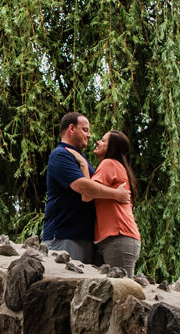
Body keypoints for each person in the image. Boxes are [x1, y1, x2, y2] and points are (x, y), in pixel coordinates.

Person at [41, 110, 131, 261]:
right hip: (65, 236)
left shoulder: (81, 158)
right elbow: (84, 187)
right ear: (71, 129)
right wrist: (116, 194)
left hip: (84, 238)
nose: (89, 135)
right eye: (85, 130)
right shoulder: (61, 154)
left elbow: (90, 189)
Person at [91, 129, 141, 275]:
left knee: (123, 292)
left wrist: (81, 163)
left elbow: (88, 192)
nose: (98, 142)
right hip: (115, 239)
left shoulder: (109, 164)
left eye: (103, 140)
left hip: (118, 238)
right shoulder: (116, 166)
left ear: (112, 148)